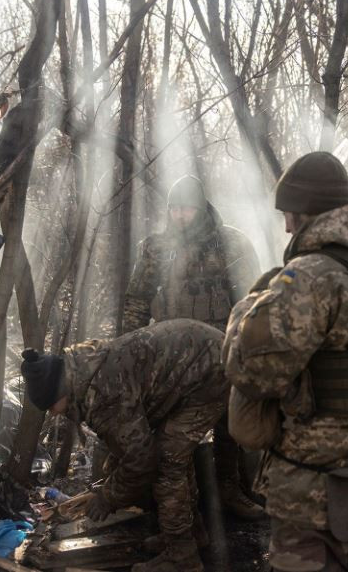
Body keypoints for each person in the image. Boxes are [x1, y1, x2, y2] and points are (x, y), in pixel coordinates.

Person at [222, 152, 348, 572]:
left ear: (307, 213)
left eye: (289, 214)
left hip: (315, 494)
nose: (285, 226)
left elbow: (250, 372)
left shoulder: (313, 279)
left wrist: (246, 311)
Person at [21, 319, 228, 572]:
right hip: (201, 360)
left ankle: (182, 555)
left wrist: (108, 497)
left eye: (51, 406)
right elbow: (130, 434)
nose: (53, 414)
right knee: (173, 455)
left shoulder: (101, 392)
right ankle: (191, 534)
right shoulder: (85, 367)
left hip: (211, 372)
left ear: (61, 391)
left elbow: (142, 459)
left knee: (167, 463)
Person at [122, 174, 264, 520]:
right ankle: (184, 507)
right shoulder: (157, 249)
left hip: (222, 350)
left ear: (200, 208)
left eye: (186, 208)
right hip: (172, 356)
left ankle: (229, 489)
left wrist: (247, 346)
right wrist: (128, 349)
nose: (179, 215)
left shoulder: (230, 244)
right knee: (175, 431)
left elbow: (252, 299)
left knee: (229, 424)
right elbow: (138, 300)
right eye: (174, 209)